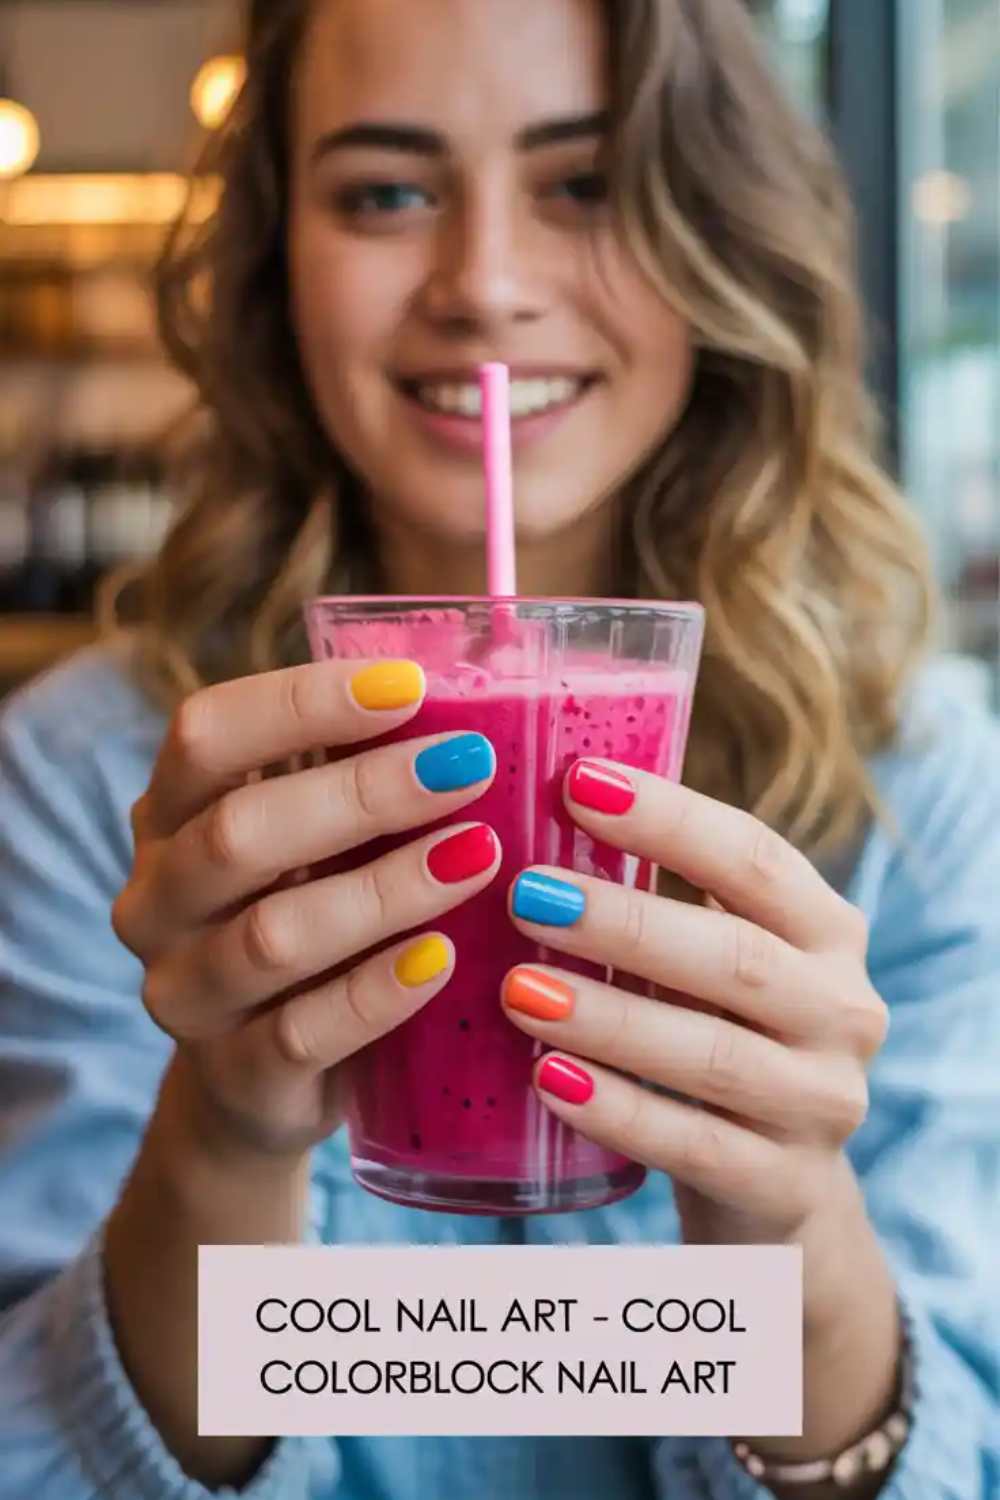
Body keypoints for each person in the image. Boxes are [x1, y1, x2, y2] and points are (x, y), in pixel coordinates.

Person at [0, 0, 997, 1497]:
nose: (484, 285)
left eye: (583, 182)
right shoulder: (95, 785)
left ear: (713, 225)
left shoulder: (918, 785)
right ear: (281, 264)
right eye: (385, 192)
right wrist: (220, 1139)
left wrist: (787, 1226)